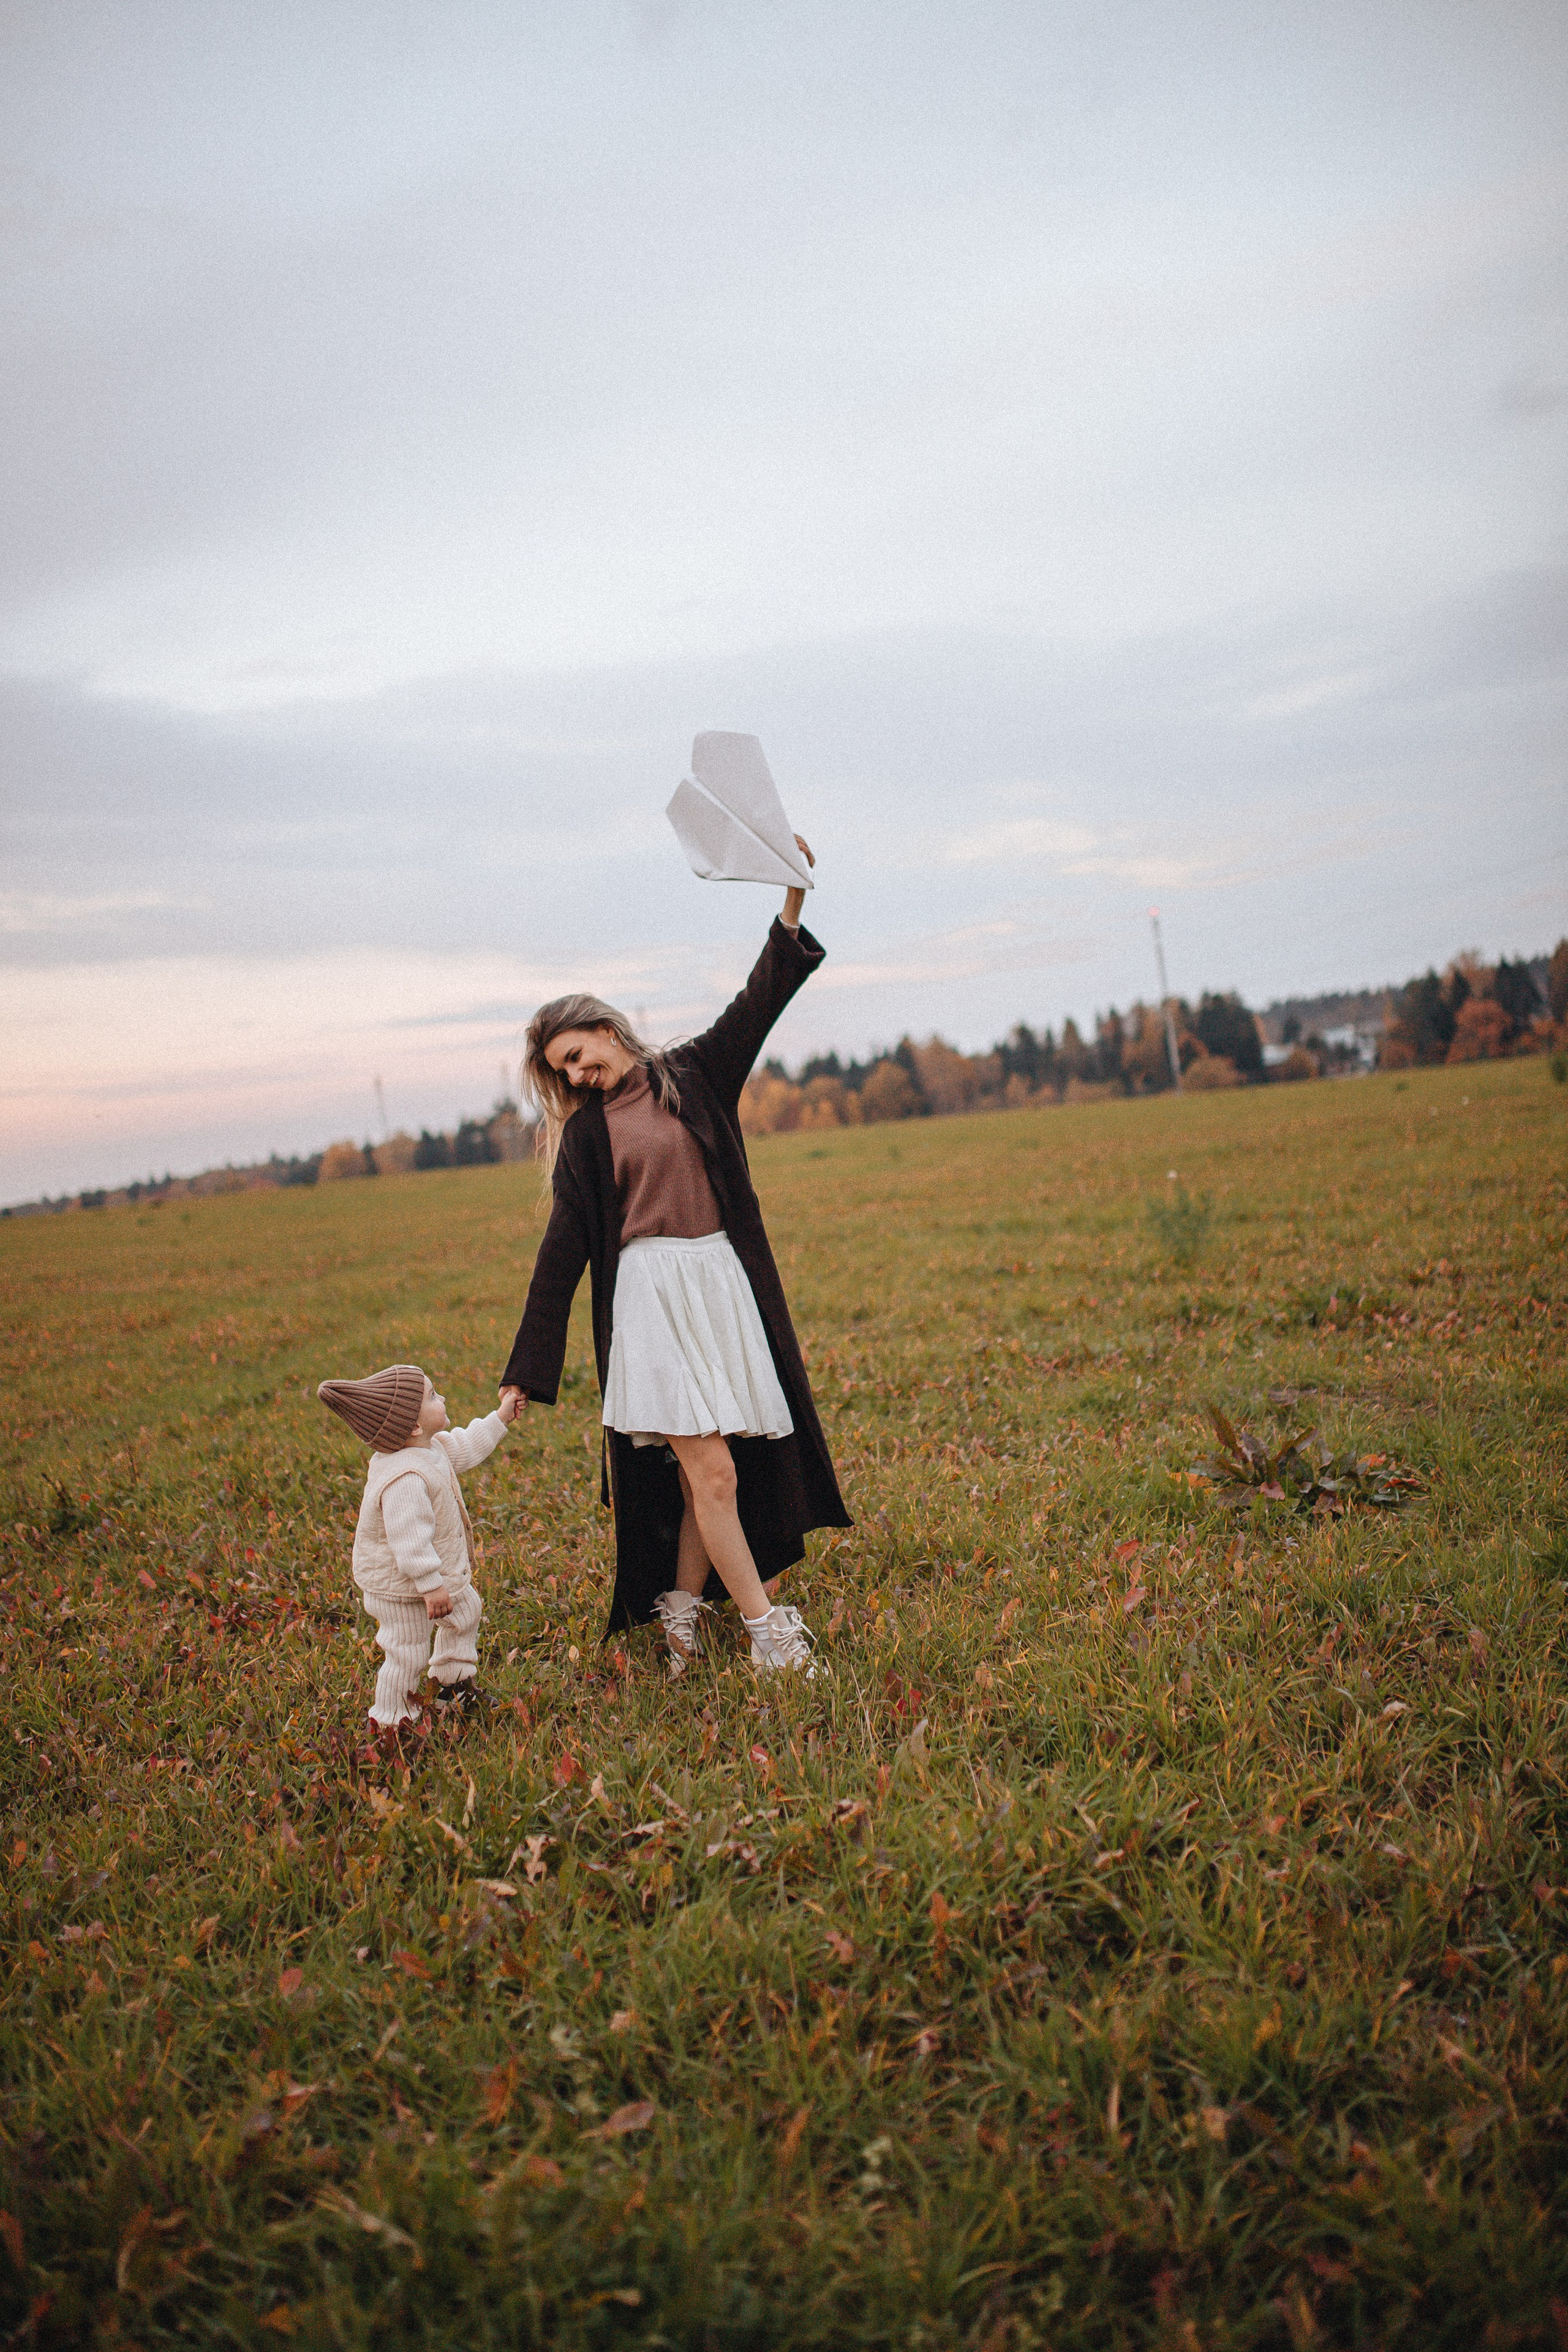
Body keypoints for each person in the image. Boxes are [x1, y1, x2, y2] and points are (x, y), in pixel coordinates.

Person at [499, 842, 850, 1678]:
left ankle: (683, 1619)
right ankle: (770, 1641)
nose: (579, 1074)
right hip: (652, 1302)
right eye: (563, 1071)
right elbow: (563, 1251)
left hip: (720, 1286)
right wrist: (526, 1367)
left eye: (580, 1053)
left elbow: (760, 997)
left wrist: (793, 894)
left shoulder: (693, 1073)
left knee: (713, 1470)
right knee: (712, 1468)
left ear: (604, 1025)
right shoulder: (588, 1136)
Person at [318, 1362, 518, 1737]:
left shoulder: (432, 1447)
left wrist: (501, 1417)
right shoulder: (404, 1478)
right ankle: (391, 1723)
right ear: (412, 1426)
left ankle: (452, 1686)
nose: (441, 1397)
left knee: (466, 1612)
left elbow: (469, 1445)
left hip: (430, 1577)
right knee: (407, 1650)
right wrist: (430, 1584)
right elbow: (408, 1541)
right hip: (402, 1586)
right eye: (432, 1395)